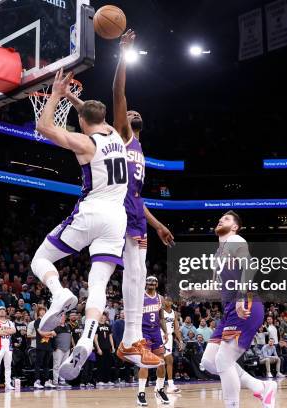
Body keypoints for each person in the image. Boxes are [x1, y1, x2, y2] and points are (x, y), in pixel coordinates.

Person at [30, 68, 129, 381]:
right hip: (117, 218)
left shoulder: (86, 143)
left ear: (83, 121)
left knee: (41, 259)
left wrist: (57, 94)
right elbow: (89, 113)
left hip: (92, 211)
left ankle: (59, 294)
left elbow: (43, 126)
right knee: (98, 284)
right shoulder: (114, 133)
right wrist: (73, 98)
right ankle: (87, 338)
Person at [106, 29, 174, 370]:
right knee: (119, 272)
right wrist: (123, 52)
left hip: (134, 212)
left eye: (134, 112)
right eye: (128, 112)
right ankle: (122, 335)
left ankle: (131, 340)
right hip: (114, 209)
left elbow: (140, 197)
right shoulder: (123, 135)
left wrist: (159, 224)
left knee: (138, 272)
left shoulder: (140, 150)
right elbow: (118, 91)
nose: (132, 112)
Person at [200, 211, 276, 408]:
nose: (220, 220)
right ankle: (261, 387)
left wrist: (241, 297)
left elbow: (250, 266)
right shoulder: (218, 254)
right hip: (229, 311)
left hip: (246, 302)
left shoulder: (236, 239)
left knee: (223, 359)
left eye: (225, 219)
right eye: (219, 218)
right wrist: (193, 292)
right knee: (209, 362)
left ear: (234, 226)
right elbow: (216, 289)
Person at [136, 276, 169, 405]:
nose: (151, 285)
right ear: (145, 284)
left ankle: (159, 389)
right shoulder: (140, 297)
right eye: (149, 283)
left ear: (156, 285)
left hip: (156, 332)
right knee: (145, 362)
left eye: (153, 283)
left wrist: (165, 332)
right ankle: (141, 393)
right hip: (143, 332)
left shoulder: (160, 298)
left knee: (161, 362)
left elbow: (161, 318)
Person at [0, 306, 16, 391]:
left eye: (3, 310)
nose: (2, 312)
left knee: (8, 366)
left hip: (8, 347)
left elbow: (14, 331)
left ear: (6, 313)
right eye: (0, 310)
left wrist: (2, 331)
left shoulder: (10, 322)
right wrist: (7, 331)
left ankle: (8, 384)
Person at [162, 296, 183, 394]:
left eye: (169, 300)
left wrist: (180, 341)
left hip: (169, 337)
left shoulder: (174, 313)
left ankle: (167, 384)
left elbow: (176, 329)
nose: (167, 301)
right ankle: (164, 384)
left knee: (168, 360)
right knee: (164, 360)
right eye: (166, 299)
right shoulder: (160, 311)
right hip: (160, 335)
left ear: (171, 302)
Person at [33, 306, 56, 389]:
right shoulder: (37, 321)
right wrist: (50, 333)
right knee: (38, 364)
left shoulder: (48, 322)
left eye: (44, 310)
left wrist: (51, 334)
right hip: (41, 345)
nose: (43, 312)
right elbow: (41, 333)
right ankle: (37, 381)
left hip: (48, 345)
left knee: (46, 364)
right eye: (41, 310)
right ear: (38, 312)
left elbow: (55, 334)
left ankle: (46, 381)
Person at [94, 314, 115, 387]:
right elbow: (95, 338)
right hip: (101, 348)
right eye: (101, 317)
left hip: (107, 348)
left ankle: (108, 380)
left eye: (104, 317)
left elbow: (110, 337)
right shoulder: (96, 326)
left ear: (106, 318)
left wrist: (112, 347)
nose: (103, 318)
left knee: (108, 364)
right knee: (100, 364)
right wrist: (98, 348)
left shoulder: (108, 326)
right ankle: (100, 380)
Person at [52, 313, 72, 387]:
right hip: (58, 349)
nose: (62, 318)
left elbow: (70, 337)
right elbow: (52, 338)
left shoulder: (68, 326)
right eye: (61, 317)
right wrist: (55, 347)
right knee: (56, 365)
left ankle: (63, 381)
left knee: (64, 366)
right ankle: (55, 381)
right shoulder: (55, 327)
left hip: (67, 349)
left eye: (63, 317)